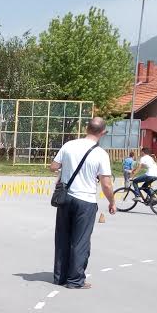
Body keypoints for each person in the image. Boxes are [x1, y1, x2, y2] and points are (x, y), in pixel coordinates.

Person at [49, 117, 115, 290]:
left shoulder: (69, 145)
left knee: (62, 238)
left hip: (66, 198)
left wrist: (67, 168)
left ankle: (60, 276)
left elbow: (53, 166)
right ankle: (75, 280)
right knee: (80, 241)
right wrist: (112, 202)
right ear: (103, 133)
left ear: (86, 128)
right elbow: (106, 184)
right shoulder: (101, 154)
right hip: (86, 201)